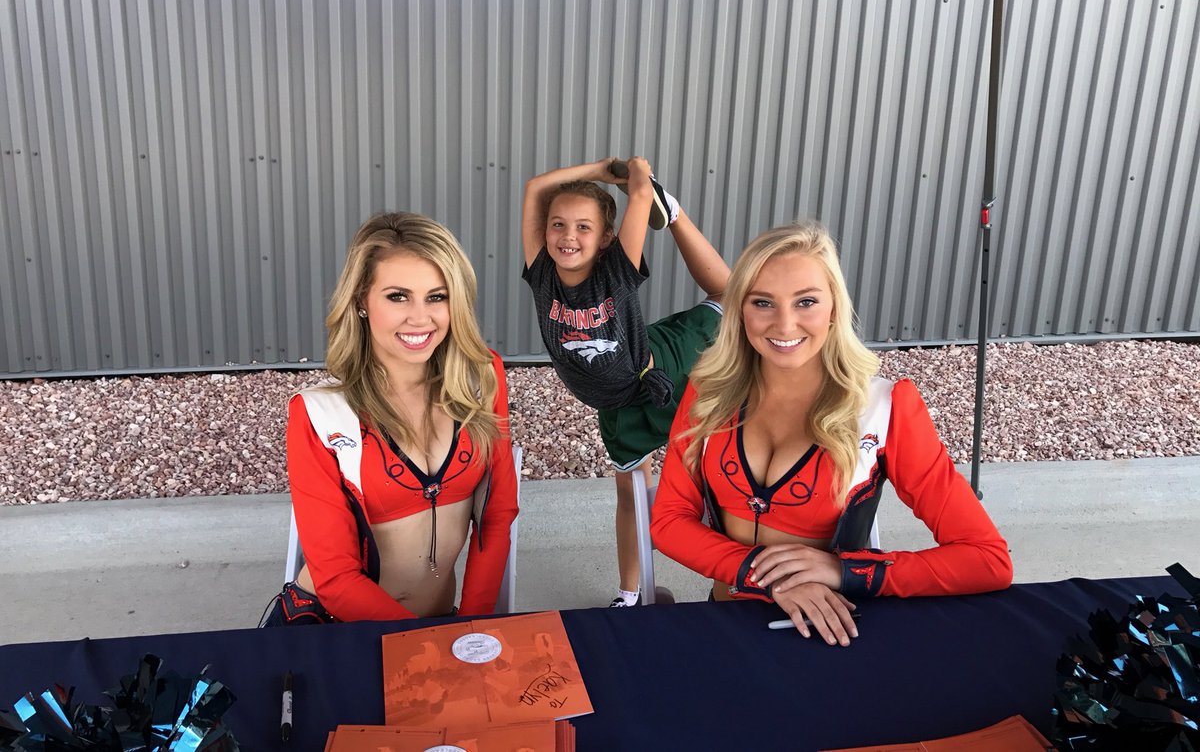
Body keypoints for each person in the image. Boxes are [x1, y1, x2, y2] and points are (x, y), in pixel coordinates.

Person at [651, 221, 1012, 644]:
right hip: (724, 623)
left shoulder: (886, 408)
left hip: (828, 630)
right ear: (739, 310)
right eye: (763, 302)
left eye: (806, 301)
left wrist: (843, 571)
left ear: (835, 308)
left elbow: (986, 560)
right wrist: (768, 577)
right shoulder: (707, 393)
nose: (785, 325)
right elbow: (669, 521)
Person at [277, 212, 518, 623]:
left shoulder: (481, 378)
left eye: (437, 296)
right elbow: (335, 578)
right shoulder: (318, 415)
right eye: (398, 296)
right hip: (339, 628)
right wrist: (430, 647)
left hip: (444, 627)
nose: (420, 318)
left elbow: (497, 514)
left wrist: (469, 627)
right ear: (361, 302)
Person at [521, 157, 730, 607]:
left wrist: (636, 173)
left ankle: (672, 213)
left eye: (583, 227)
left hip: (669, 371)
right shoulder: (541, 274)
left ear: (606, 239)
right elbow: (537, 186)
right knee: (630, 493)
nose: (567, 236)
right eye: (558, 225)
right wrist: (597, 168)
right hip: (617, 403)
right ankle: (630, 594)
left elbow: (637, 192)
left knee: (729, 299)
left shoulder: (615, 273)